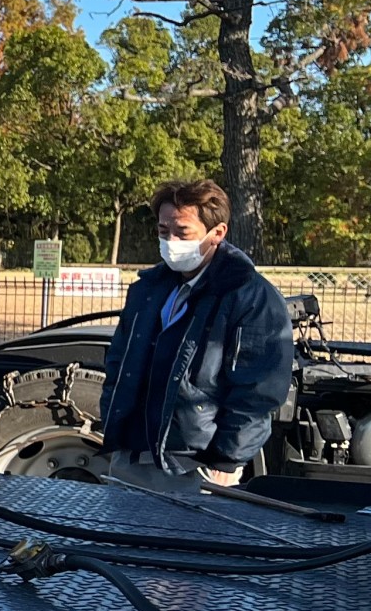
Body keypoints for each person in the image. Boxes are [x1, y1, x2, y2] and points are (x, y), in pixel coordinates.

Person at [94, 178, 293, 491]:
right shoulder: (147, 290)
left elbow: (257, 391)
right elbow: (119, 361)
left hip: (196, 465)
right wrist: (113, 419)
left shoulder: (251, 296)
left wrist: (227, 461)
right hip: (131, 456)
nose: (171, 241)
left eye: (182, 232)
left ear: (218, 233)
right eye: (163, 231)